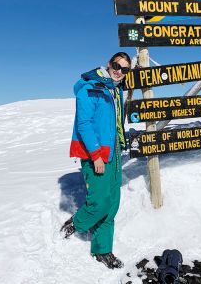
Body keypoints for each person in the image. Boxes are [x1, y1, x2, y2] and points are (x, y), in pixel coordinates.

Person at [60, 52, 131, 269]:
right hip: (97, 155)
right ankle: (77, 222)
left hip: (115, 153)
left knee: (112, 204)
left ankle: (102, 250)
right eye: (117, 66)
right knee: (99, 203)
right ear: (109, 64)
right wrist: (96, 155)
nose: (120, 71)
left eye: (125, 69)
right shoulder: (90, 88)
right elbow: (85, 125)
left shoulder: (115, 90)